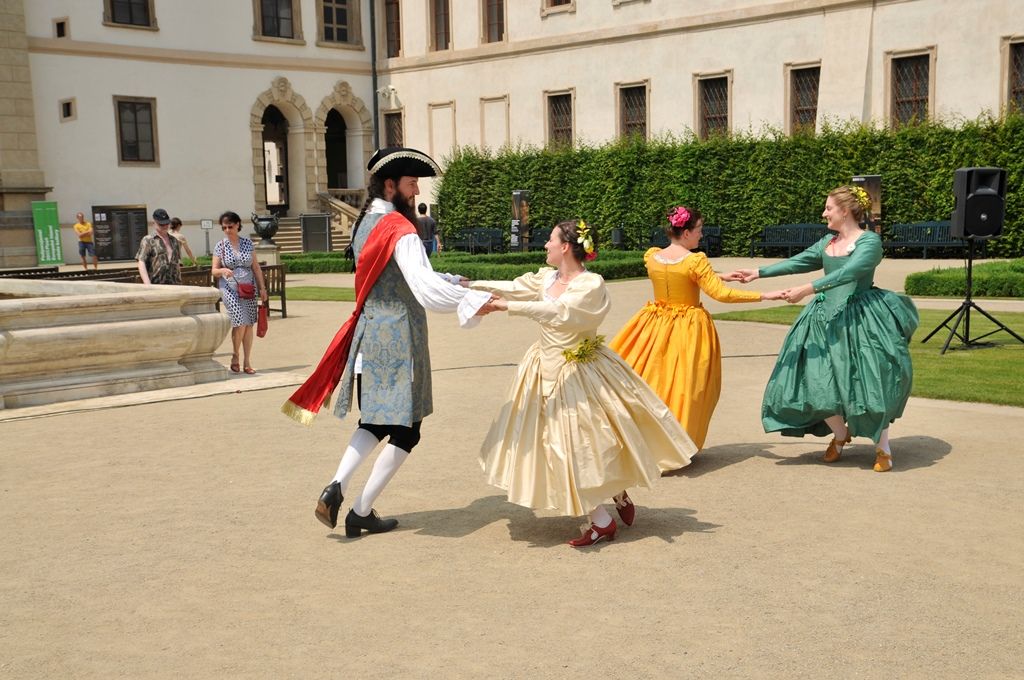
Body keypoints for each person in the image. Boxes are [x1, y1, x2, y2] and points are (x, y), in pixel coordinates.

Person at [282, 146, 491, 539]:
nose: (415, 194)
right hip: (399, 341)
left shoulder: (364, 225)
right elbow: (422, 287)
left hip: (369, 338)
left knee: (375, 421)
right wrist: (472, 299)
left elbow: (402, 277)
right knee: (407, 430)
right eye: (411, 185)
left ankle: (335, 486)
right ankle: (360, 511)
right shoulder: (400, 228)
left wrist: (448, 280)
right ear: (391, 184)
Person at [465, 220, 697, 547]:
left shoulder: (590, 284)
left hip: (579, 370)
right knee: (569, 443)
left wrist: (506, 307)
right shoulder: (547, 277)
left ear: (565, 247)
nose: (545, 245)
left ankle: (601, 520)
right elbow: (515, 286)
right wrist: (469, 284)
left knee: (576, 443)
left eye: (550, 240)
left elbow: (561, 313)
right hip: (542, 370)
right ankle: (612, 494)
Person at [726, 186, 918, 472]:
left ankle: (882, 446)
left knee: (868, 382)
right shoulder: (829, 241)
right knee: (816, 381)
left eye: (829, 208)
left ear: (845, 211)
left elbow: (849, 273)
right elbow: (800, 261)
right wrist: (758, 273)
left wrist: (808, 288)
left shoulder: (869, 242)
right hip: (823, 318)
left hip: (861, 318)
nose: (824, 213)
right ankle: (841, 435)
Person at [609, 205, 785, 451]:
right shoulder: (695, 260)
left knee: (651, 378)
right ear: (687, 232)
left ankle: (642, 439)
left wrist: (719, 275)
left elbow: (676, 273)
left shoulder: (653, 257)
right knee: (686, 387)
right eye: (699, 230)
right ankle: (674, 444)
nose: (702, 235)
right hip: (687, 328)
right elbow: (720, 294)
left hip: (653, 323)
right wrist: (765, 296)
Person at [212, 211, 268, 375]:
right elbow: (214, 271)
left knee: (249, 322)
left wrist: (263, 288)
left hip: (249, 287)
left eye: (230, 226)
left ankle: (247, 361)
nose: (228, 230)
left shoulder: (247, 243)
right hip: (229, 288)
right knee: (240, 321)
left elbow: (256, 267)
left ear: (237, 225)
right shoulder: (220, 246)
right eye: (224, 228)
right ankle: (235, 355)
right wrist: (223, 269)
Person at [136, 208, 181, 285]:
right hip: (156, 286)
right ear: (154, 223)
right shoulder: (148, 240)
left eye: (166, 223)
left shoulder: (174, 241)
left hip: (175, 286)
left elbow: (177, 265)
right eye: (161, 224)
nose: (165, 226)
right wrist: (147, 284)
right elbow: (141, 261)